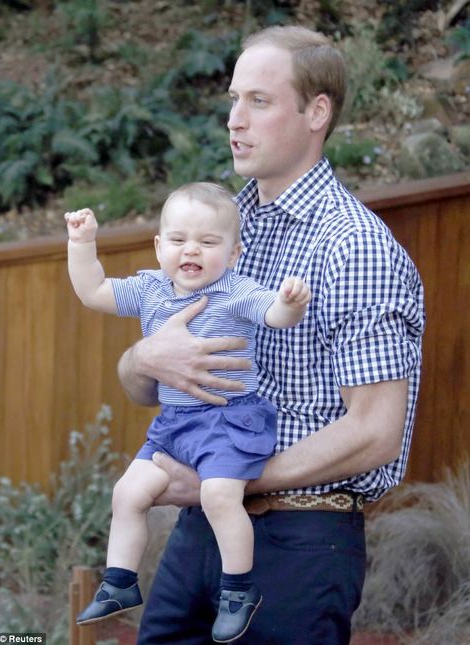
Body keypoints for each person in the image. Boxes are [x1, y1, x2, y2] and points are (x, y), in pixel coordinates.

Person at [117, 25, 426, 645]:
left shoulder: (354, 247)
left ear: (317, 112)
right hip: (201, 532)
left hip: (301, 545)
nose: (235, 120)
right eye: (233, 100)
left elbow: (375, 433)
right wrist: (144, 356)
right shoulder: (218, 229)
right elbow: (143, 385)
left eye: (258, 101)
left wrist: (228, 481)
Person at [64, 181, 311, 642]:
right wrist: (82, 243)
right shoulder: (151, 289)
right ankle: (120, 582)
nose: (190, 250)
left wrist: (289, 303)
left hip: (227, 421)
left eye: (208, 242)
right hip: (173, 427)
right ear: (159, 247)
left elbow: (274, 315)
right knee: (127, 493)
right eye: (178, 240)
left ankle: (238, 591)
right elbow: (92, 292)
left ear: (234, 253)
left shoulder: (237, 291)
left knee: (219, 496)